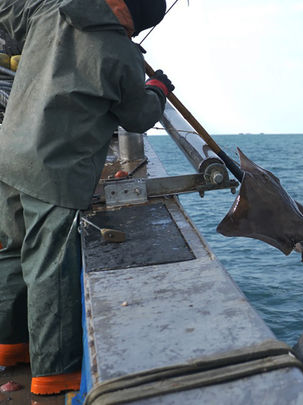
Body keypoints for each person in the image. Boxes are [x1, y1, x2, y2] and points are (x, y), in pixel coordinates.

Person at [0, 0, 173, 395]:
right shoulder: (121, 53)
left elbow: (8, 10)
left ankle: (9, 346)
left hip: (8, 156)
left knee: (11, 250)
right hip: (55, 174)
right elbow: (139, 116)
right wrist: (158, 88)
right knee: (50, 266)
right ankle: (54, 373)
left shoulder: (50, 8)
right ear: (132, 17)